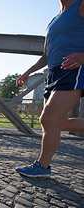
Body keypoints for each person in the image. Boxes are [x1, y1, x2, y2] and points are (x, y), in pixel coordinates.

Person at [16, 0, 84, 178]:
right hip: (54, 73)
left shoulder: (81, 5)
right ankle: (43, 167)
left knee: (47, 118)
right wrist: (28, 72)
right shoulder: (54, 20)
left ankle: (43, 167)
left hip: (74, 69)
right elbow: (46, 55)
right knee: (61, 123)